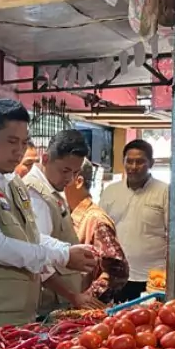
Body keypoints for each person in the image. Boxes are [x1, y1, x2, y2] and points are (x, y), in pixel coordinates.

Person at [0, 99, 97, 345]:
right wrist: (63, 257)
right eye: (12, 142)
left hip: (16, 316)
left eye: (24, 143)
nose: (19, 151)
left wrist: (65, 249)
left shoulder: (12, 182)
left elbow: (31, 237)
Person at [23, 129, 104, 313]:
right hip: (49, 303)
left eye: (75, 172)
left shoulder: (50, 190)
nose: (69, 179)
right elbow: (37, 257)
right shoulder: (35, 193)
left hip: (59, 301)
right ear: (45, 159)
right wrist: (72, 295)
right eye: (65, 171)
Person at [99, 139, 168, 303]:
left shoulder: (165, 192)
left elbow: (173, 236)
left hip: (154, 279)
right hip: (117, 277)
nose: (133, 167)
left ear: (151, 163)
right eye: (129, 161)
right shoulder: (110, 192)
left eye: (140, 162)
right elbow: (101, 233)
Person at [65, 159, 130, 303]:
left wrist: (87, 298)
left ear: (78, 181)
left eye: (64, 173)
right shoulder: (67, 214)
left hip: (85, 315)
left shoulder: (96, 220)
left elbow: (118, 271)